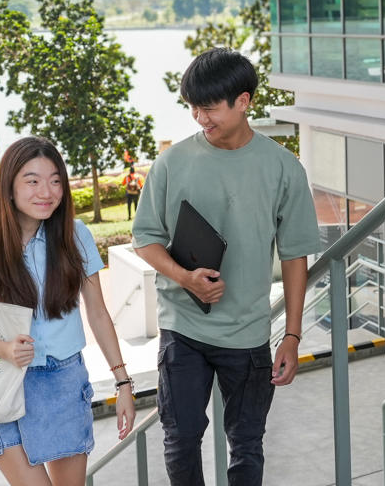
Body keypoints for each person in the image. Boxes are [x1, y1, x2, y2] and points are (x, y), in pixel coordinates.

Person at [130, 48, 323, 486]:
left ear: (244, 101)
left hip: (249, 334)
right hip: (183, 330)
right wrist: (184, 278)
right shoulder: (171, 163)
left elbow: (295, 257)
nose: (200, 118)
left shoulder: (283, 169)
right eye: (193, 107)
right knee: (180, 439)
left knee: (248, 442)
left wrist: (291, 335)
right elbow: (145, 238)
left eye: (210, 107)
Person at [0, 136, 136, 486]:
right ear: (10, 187)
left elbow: (97, 312)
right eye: (32, 181)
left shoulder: (76, 236)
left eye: (55, 180)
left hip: (62, 381)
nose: (46, 191)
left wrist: (123, 383)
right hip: (2, 384)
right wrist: (1, 348)